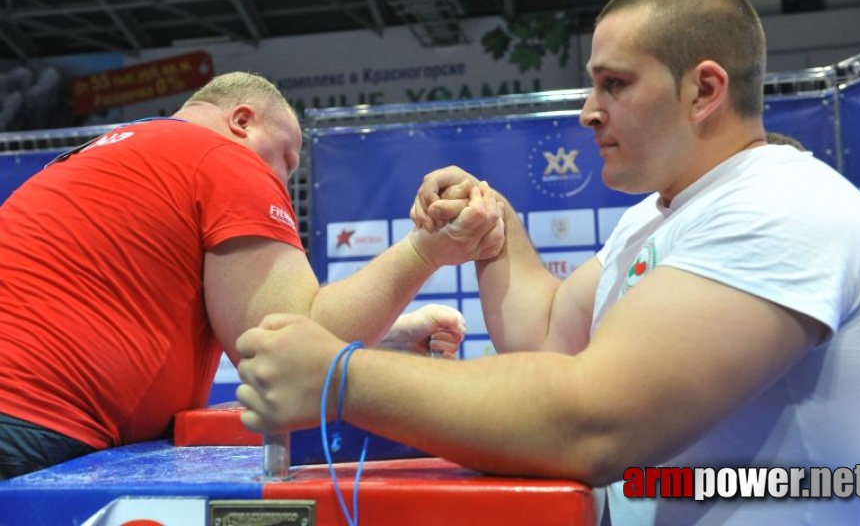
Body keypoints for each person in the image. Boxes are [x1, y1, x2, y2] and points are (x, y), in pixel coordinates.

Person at [234, 0, 860, 525]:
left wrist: (341, 378)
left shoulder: (780, 209)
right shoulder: (661, 214)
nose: (588, 109)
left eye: (615, 84)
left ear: (703, 90)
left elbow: (592, 426)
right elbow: (547, 334)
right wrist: (492, 225)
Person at [0, 72, 504, 479]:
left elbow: (245, 315)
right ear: (242, 121)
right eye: (286, 160)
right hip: (29, 427)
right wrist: (426, 250)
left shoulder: (92, 159)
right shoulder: (223, 157)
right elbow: (291, 344)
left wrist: (389, 331)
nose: (283, 179)